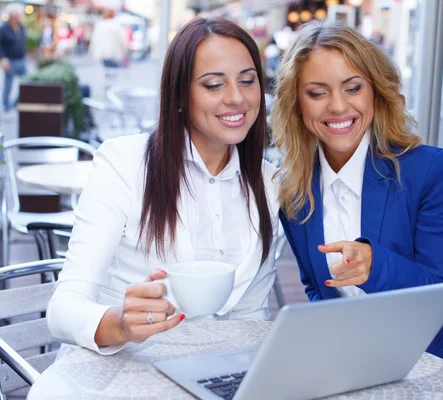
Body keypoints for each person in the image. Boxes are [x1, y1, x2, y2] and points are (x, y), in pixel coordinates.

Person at [272, 22, 443, 398]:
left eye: (353, 88)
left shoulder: (427, 169)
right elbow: (316, 287)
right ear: (297, 104)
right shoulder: (293, 190)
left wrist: (374, 264)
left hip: (439, 367)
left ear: (375, 92)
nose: (338, 106)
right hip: (353, 373)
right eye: (317, 93)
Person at [47, 17, 279, 356]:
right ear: (180, 93)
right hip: (123, 375)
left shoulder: (269, 184)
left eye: (248, 81)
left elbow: (251, 318)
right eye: (214, 85)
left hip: (216, 378)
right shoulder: (124, 163)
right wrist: (121, 324)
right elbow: (62, 310)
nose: (237, 98)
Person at [88, 8, 128, 86]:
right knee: (112, 70)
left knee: (107, 69)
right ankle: (111, 85)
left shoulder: (100, 25)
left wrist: (92, 51)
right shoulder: (117, 26)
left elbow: (94, 39)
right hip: (114, 53)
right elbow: (122, 40)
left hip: (103, 53)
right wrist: (124, 51)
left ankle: (109, 84)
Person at [0, 3, 27, 116]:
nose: (21, 16)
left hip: (21, 60)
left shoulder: (21, 28)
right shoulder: (4, 29)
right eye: (19, 14)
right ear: (13, 15)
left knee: (27, 83)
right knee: (8, 85)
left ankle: (15, 104)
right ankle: (6, 107)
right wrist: (2, 59)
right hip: (10, 60)